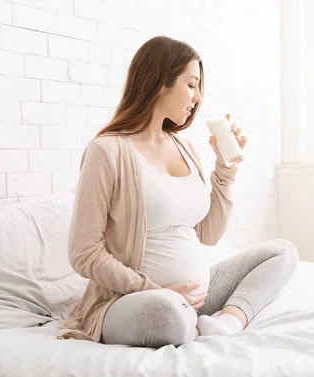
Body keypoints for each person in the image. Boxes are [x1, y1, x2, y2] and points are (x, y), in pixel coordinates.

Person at [57, 36, 299, 348]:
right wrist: (156, 290)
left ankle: (227, 322)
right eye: (191, 84)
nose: (198, 97)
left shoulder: (184, 147)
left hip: (194, 298)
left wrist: (225, 167)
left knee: (282, 253)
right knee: (170, 314)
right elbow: (84, 252)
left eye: (199, 87)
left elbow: (208, 235)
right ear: (160, 83)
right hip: (135, 301)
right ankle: (186, 318)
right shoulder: (107, 151)